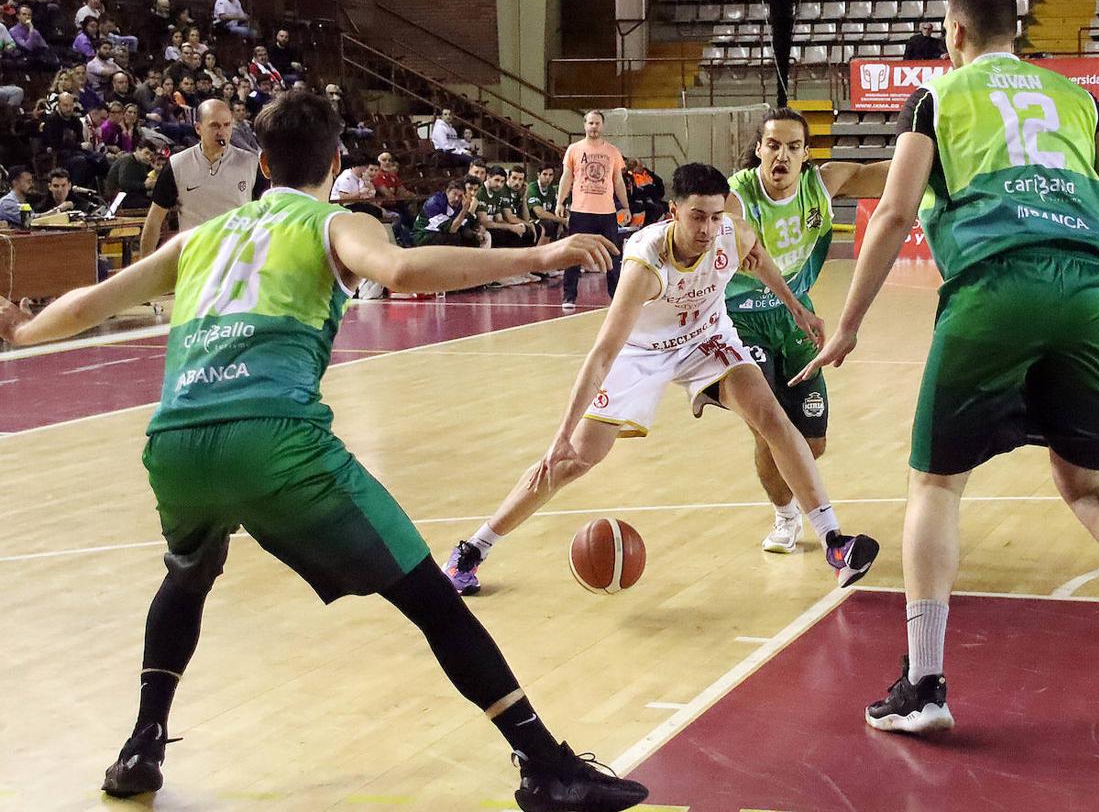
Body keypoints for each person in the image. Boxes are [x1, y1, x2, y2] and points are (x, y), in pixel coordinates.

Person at [0, 89, 646, 812]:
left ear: (260, 164)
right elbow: (398, 273)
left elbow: (90, 305)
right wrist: (542, 251)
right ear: (335, 162)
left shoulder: (199, 238)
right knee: (432, 598)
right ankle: (545, 763)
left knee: (187, 575)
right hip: (274, 440)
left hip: (175, 442)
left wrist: (21, 333)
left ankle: (142, 745)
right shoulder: (334, 219)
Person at [800, 0, 1099, 733]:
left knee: (936, 487)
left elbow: (891, 213)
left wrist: (848, 325)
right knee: (1093, 487)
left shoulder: (936, 98)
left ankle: (924, 685)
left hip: (995, 285)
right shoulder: (1078, 99)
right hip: (1087, 294)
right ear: (1016, 33)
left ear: (954, 33)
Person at [442, 163, 879, 596]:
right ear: (673, 211)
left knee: (771, 415)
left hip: (706, 339)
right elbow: (601, 355)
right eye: (697, 216)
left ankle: (834, 542)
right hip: (642, 353)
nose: (708, 228)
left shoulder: (731, 231)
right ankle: (472, 550)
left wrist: (797, 309)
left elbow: (760, 261)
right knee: (572, 459)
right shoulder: (644, 266)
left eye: (715, 215)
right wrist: (560, 434)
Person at [721, 107, 890, 554]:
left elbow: (890, 173)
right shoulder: (738, 196)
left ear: (805, 154)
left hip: (794, 320)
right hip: (741, 320)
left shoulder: (822, 184)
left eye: (793, 147)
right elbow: (743, 241)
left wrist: (941, 160)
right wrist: (796, 306)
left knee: (812, 442)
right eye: (773, 145)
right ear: (758, 149)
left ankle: (794, 500)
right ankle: (785, 517)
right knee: (768, 426)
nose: (782, 155)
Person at [140, 99, 262, 253]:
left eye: (227, 125)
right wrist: (148, 269)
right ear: (198, 128)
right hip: (195, 258)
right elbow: (154, 220)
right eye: (214, 126)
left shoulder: (251, 163)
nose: (221, 132)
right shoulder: (178, 165)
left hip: (237, 260)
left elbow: (268, 214)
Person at [556, 110, 631, 310]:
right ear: (584, 125)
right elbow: (567, 178)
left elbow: (618, 181)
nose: (594, 127)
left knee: (614, 255)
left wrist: (626, 206)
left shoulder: (612, 152)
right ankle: (569, 296)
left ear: (602, 126)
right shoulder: (574, 149)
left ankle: (616, 296)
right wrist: (560, 202)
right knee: (574, 254)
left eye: (597, 123)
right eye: (590, 123)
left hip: (606, 213)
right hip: (581, 212)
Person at [413, 178, 482, 247]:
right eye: (454, 194)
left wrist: (477, 229)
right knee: (454, 238)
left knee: (471, 237)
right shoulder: (434, 203)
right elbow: (452, 229)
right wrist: (464, 209)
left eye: (460, 196)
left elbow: (465, 223)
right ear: (447, 192)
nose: (456, 199)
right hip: (423, 234)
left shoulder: (460, 203)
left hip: (442, 232)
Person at [476, 165, 532, 248]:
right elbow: (484, 222)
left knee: (517, 232)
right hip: (479, 227)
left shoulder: (497, 192)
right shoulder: (481, 191)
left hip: (493, 225)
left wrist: (514, 227)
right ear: (488, 177)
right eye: (497, 180)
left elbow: (499, 219)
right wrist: (510, 227)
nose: (499, 184)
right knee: (501, 235)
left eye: (502, 182)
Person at [104, 140, 157, 208]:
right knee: (151, 204)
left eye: (151, 155)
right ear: (138, 149)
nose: (148, 157)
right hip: (118, 198)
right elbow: (123, 182)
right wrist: (144, 185)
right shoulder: (127, 160)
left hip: (131, 195)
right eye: (146, 153)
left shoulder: (142, 163)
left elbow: (143, 180)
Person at [527, 163, 567, 242]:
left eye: (550, 175)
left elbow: (556, 210)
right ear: (539, 175)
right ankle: (543, 250)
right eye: (545, 174)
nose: (548, 177)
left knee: (562, 222)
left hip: (548, 219)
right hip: (533, 219)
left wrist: (564, 219)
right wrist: (561, 220)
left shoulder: (551, 189)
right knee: (549, 224)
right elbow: (539, 213)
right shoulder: (533, 187)